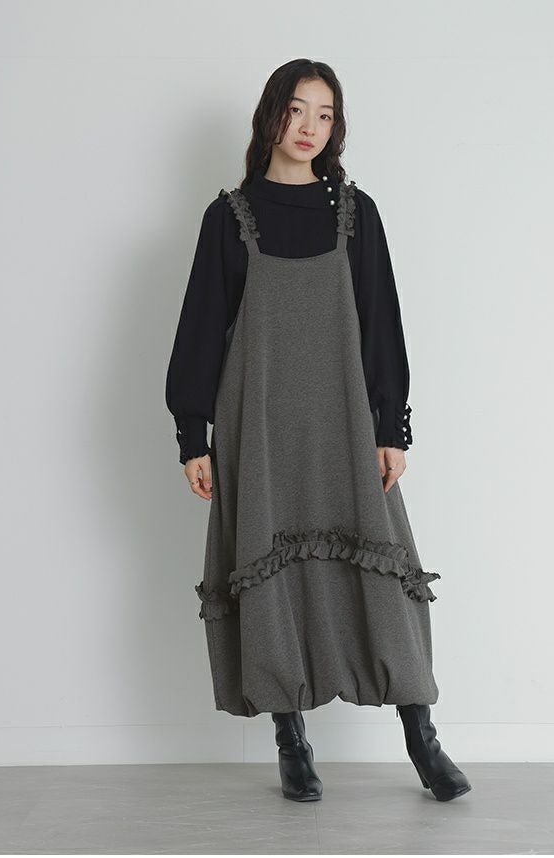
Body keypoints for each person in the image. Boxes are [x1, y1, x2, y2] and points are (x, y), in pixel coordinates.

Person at [165, 58, 471, 803]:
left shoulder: (355, 214)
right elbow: (201, 329)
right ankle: (291, 739)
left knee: (384, 568)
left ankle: (422, 736)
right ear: (271, 115)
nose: (310, 127)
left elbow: (381, 325)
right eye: (297, 110)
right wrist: (192, 435)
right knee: (269, 565)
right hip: (260, 427)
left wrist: (391, 425)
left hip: (344, 419)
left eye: (325, 114)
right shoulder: (228, 217)